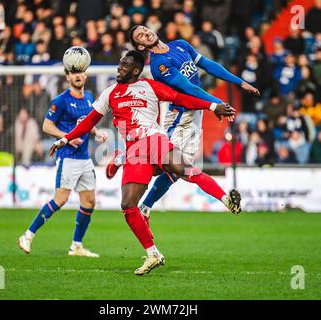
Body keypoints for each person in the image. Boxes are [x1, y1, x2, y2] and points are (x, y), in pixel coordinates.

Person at [49, 51, 240, 275]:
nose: (119, 67)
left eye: (124, 64)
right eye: (120, 63)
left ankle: (226, 200)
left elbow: (181, 99)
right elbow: (90, 120)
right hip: (134, 152)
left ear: (136, 70)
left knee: (184, 169)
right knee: (128, 204)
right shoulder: (110, 93)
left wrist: (212, 106)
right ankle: (153, 254)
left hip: (154, 139)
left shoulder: (149, 86)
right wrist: (64, 138)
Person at [107, 25, 259, 221]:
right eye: (140, 36)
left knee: (177, 169)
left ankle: (146, 206)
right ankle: (124, 158)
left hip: (195, 114)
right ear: (141, 46)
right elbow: (188, 88)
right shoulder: (158, 65)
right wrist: (216, 104)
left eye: (145, 30)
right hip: (179, 115)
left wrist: (239, 82)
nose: (146, 33)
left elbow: (208, 64)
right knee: (167, 163)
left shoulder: (180, 44)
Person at [18, 67, 108, 257]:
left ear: (85, 75)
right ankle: (28, 235)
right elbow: (46, 125)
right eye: (73, 73)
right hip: (68, 157)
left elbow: (87, 122)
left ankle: (76, 245)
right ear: (67, 77)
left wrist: (97, 132)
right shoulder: (60, 101)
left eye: (80, 72)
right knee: (61, 199)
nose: (77, 75)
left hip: (85, 158)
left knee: (89, 201)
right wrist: (67, 137)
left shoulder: (90, 96)